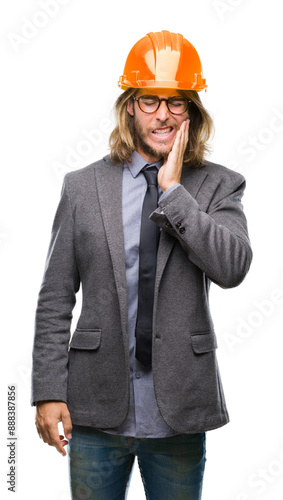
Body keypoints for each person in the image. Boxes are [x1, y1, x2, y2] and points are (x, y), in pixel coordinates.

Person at [31, 30, 252, 499]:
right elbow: (54, 298)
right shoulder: (82, 187)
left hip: (179, 411)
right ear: (130, 106)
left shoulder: (219, 186)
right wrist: (48, 391)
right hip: (94, 408)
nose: (163, 115)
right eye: (150, 101)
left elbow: (233, 268)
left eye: (176, 103)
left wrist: (174, 193)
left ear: (191, 111)